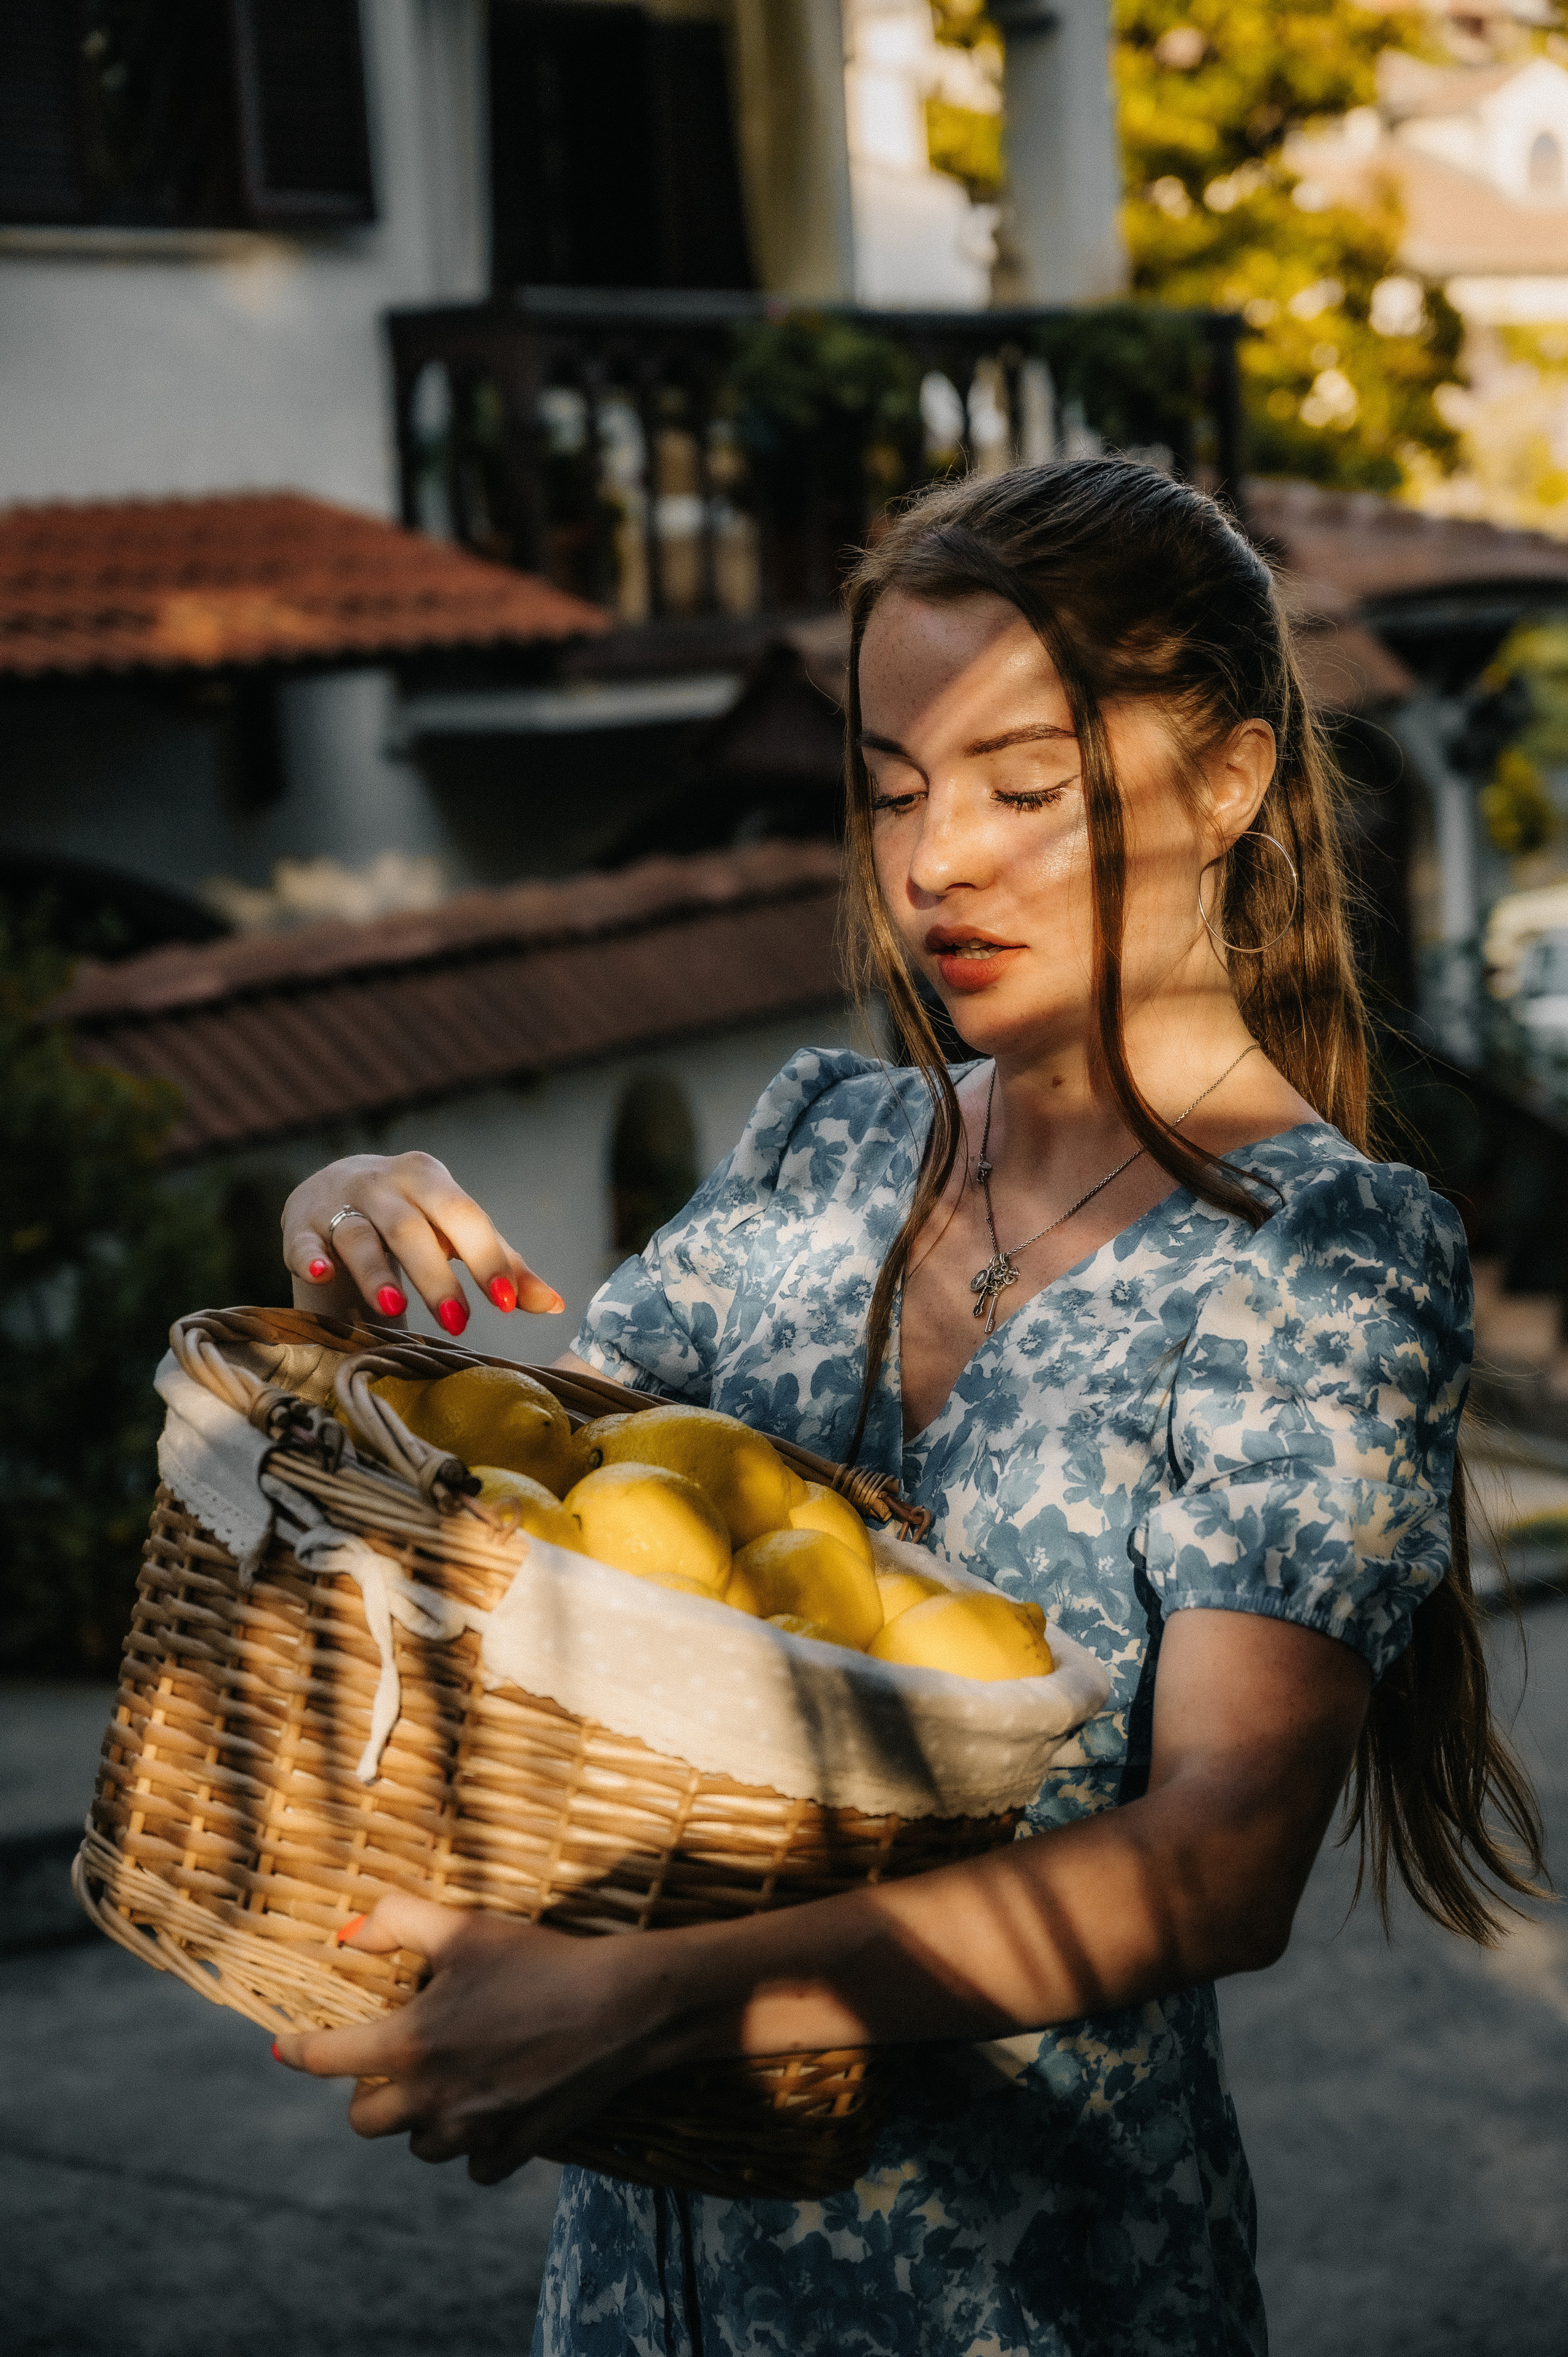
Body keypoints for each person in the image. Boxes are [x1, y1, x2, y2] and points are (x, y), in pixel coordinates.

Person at [274, 461, 1544, 2357]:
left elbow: (1220, 1860)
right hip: (641, 2300)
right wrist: (366, 1266)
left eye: (1026, 790)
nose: (940, 857)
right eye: (891, 789)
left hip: (1030, 2304)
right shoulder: (822, 1146)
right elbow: (562, 1469)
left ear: (1232, 781)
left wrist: (650, 2000)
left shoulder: (1327, 1256)